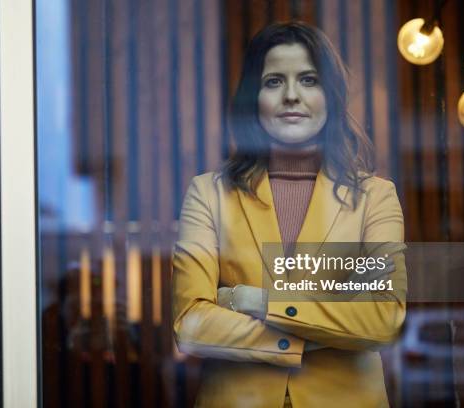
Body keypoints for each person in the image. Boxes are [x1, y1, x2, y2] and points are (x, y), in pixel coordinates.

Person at [172, 22, 407, 408]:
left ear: (329, 96)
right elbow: (192, 324)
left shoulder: (376, 197)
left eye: (309, 80)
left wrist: (253, 300)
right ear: (254, 97)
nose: (292, 96)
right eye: (274, 82)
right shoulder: (208, 193)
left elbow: (382, 318)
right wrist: (318, 333)